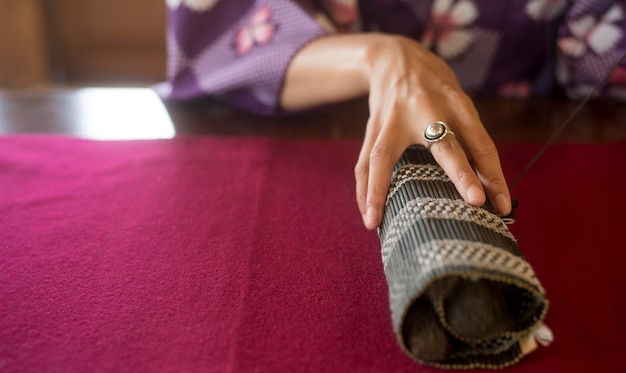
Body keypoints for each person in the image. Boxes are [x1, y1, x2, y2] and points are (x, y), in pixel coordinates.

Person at [157, 0, 626, 230]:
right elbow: (211, 37)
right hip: (313, 110)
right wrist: (384, 58)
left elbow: (596, 52)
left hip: (534, 126)